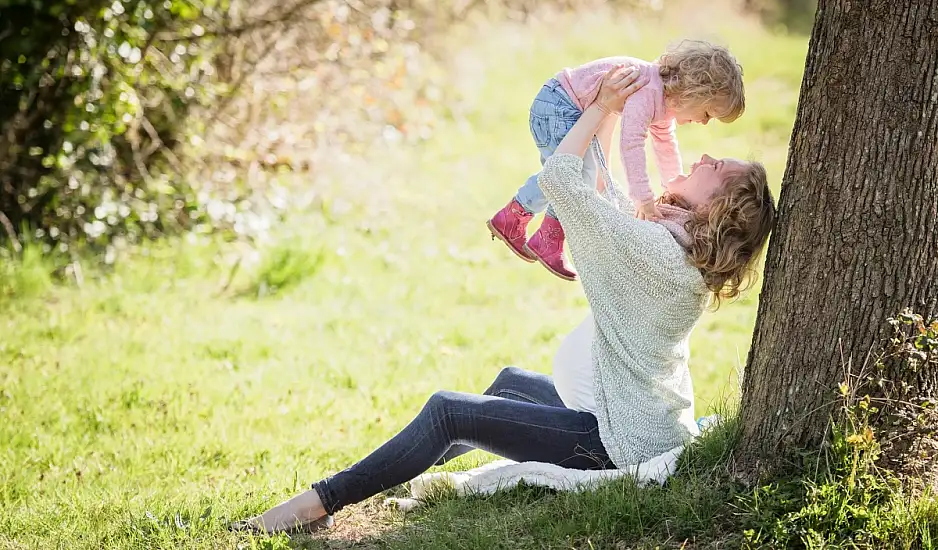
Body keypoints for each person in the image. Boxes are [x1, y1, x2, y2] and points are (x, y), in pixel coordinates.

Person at [232, 65, 775, 535]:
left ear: (719, 209)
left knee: (449, 411)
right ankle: (391, 473)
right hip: (630, 416)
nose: (705, 155)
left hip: (615, 441)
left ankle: (318, 503)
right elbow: (609, 197)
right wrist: (613, 112)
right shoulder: (676, 248)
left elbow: (563, 178)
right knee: (508, 383)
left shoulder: (656, 254)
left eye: (718, 168)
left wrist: (604, 106)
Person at [487, 40, 745, 281]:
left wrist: (673, 186)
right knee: (571, 175)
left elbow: (665, 146)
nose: (703, 122)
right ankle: (542, 234)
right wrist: (643, 198)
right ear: (694, 93)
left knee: (580, 177)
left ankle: (519, 221)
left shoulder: (664, 103)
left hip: (566, 106)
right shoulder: (648, 92)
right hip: (558, 105)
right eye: (708, 113)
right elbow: (631, 143)